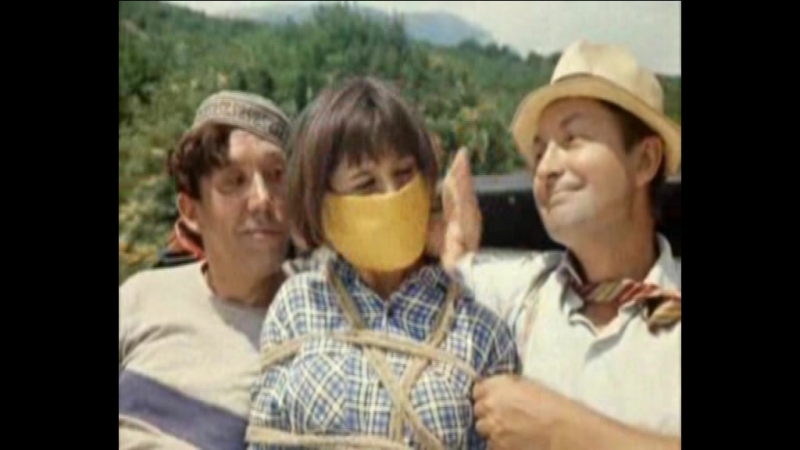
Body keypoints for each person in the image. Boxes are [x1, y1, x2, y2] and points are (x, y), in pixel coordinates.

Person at [245, 77, 520, 450]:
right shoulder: (297, 307)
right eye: (366, 184)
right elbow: (265, 439)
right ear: (323, 206)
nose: (392, 195)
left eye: (404, 175)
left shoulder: (479, 327)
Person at [440, 40, 682, 449]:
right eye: (539, 152)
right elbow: (448, 282)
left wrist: (558, 430)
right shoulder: (522, 293)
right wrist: (458, 240)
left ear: (644, 160)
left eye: (572, 139)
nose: (546, 168)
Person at [119, 90, 319, 450]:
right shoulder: (141, 297)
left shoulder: (320, 329)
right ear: (191, 211)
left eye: (277, 176)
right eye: (234, 181)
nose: (262, 199)